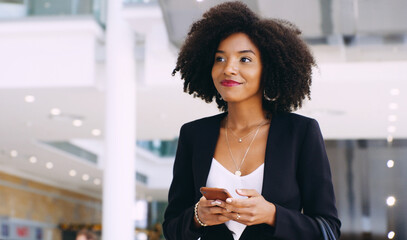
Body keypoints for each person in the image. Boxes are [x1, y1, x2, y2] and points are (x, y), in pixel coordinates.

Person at [163, 1, 341, 240]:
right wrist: (198, 216)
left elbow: (328, 230)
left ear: (268, 68)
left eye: (244, 59)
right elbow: (171, 228)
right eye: (220, 59)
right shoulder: (194, 134)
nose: (228, 69)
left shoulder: (300, 132)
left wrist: (272, 214)